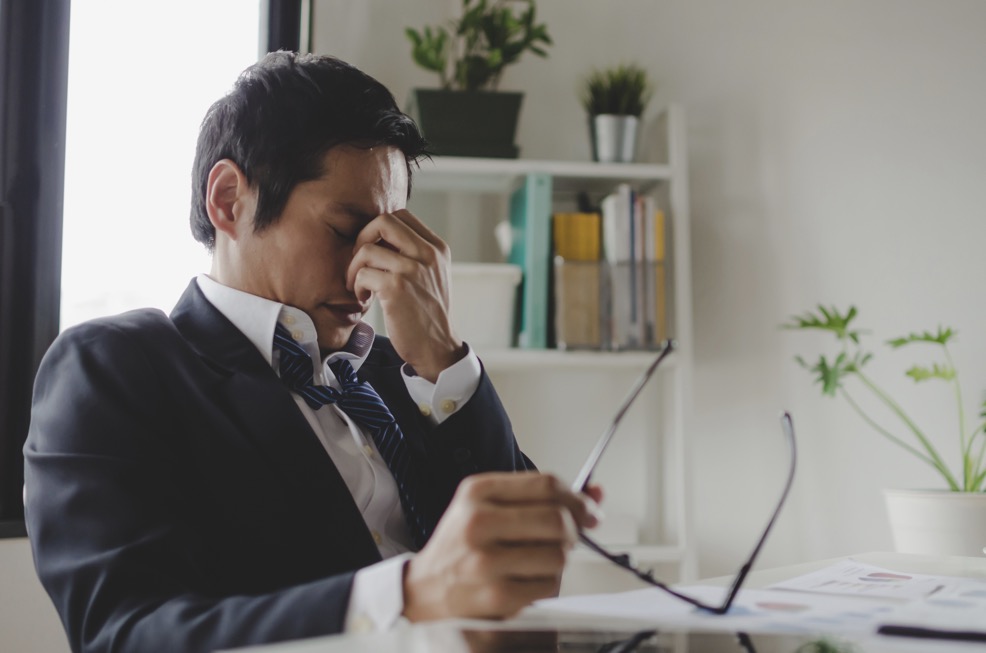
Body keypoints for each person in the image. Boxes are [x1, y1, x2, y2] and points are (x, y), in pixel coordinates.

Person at [24, 52, 601, 653]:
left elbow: (520, 583)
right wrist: (407, 595)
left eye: (389, 238)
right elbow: (125, 636)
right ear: (228, 200)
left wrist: (442, 355)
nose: (368, 276)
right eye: (347, 230)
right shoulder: (114, 370)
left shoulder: (406, 372)